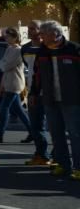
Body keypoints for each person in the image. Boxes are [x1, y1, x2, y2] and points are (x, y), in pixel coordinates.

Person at [31, 20, 80, 180]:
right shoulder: (42, 52)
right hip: (50, 100)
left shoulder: (74, 49)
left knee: (75, 134)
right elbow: (36, 74)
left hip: (72, 100)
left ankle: (78, 167)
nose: (41, 37)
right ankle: (62, 165)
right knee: (56, 134)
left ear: (54, 34)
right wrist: (33, 93)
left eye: (43, 34)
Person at [0, 27, 31, 145]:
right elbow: (3, 64)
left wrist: (3, 64)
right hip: (8, 82)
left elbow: (5, 65)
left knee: (3, 109)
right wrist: (2, 84)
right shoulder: (9, 48)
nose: (6, 38)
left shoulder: (18, 50)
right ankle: (33, 132)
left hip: (15, 83)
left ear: (15, 37)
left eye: (8, 36)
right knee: (19, 111)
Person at [21, 20, 50, 165]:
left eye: (34, 28)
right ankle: (41, 155)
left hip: (49, 92)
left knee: (55, 127)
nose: (30, 31)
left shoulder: (48, 48)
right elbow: (29, 68)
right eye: (29, 28)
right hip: (33, 92)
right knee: (36, 126)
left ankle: (58, 156)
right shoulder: (25, 49)